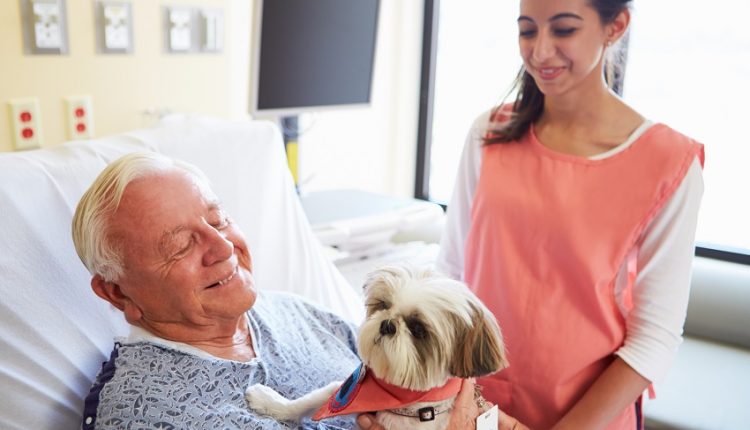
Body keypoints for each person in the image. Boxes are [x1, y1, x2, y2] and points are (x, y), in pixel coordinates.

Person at [437, 0, 704, 429]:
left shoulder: (669, 163)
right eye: (527, 31)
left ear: (615, 26)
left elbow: (654, 339)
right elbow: (450, 276)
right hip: (473, 409)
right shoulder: (487, 135)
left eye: (563, 30)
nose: (540, 51)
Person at [73, 152, 483, 429]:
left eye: (217, 221)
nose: (222, 247)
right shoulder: (148, 412)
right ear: (118, 294)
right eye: (179, 245)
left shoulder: (302, 315)